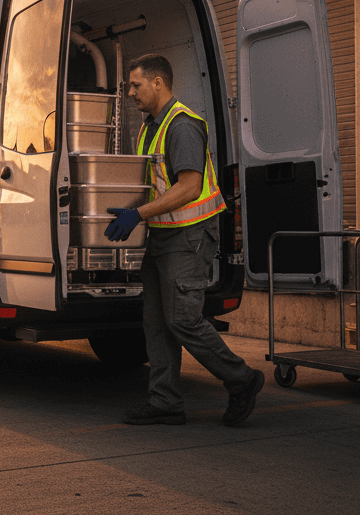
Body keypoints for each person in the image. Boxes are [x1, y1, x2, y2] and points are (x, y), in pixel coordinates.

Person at [105, 53, 264, 426]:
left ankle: (242, 379)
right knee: (156, 322)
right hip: (162, 235)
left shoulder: (181, 125)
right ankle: (165, 402)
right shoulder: (150, 126)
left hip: (189, 236)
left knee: (183, 320)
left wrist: (137, 215)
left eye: (136, 85)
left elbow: (190, 187)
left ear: (158, 83)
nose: (130, 92)